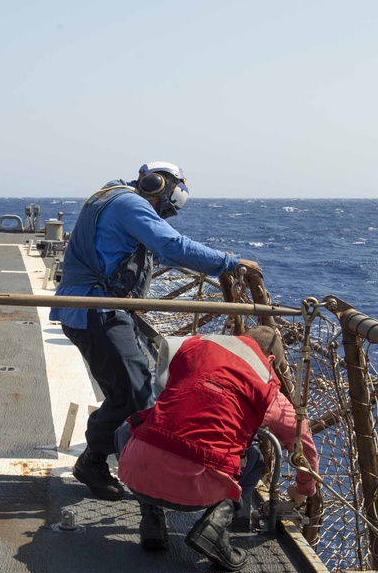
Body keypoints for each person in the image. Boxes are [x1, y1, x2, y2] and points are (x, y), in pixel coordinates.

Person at [50, 162, 261, 501]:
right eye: (168, 202)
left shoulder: (110, 195)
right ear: (156, 184)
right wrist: (228, 262)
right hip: (96, 310)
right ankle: (96, 461)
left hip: (98, 309)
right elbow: (172, 247)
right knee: (133, 392)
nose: (164, 212)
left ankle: (131, 461)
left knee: (136, 389)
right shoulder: (130, 203)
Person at [115, 326, 320, 571]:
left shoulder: (196, 346)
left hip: (136, 475)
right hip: (198, 491)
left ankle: (152, 520)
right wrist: (303, 489)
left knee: (129, 430)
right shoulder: (265, 385)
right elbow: (302, 440)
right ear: (271, 360)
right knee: (254, 458)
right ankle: (215, 526)